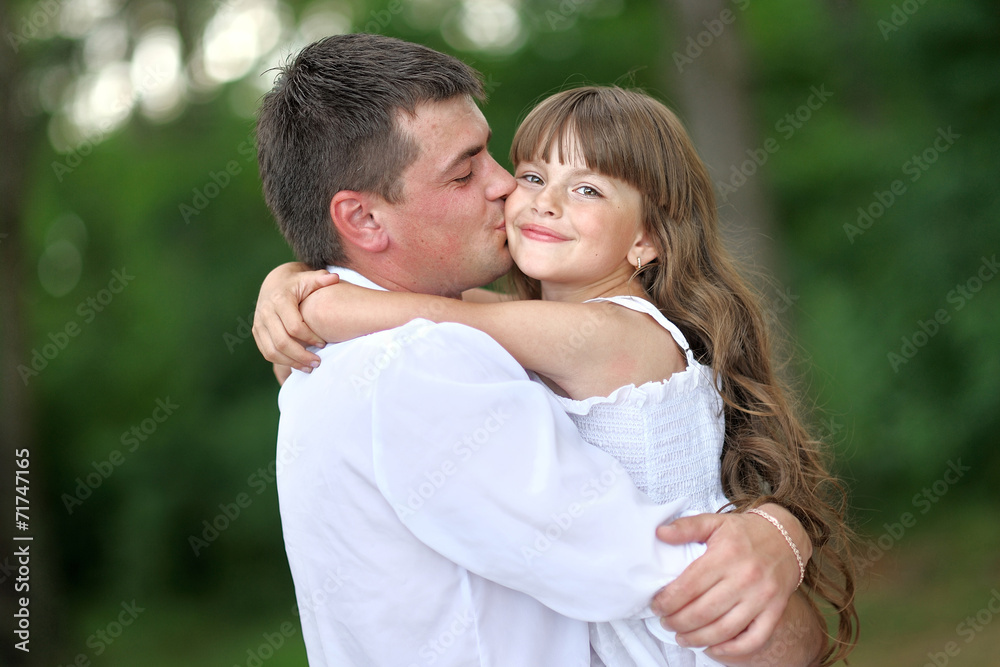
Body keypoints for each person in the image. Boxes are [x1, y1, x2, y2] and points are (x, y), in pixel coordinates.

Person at [252, 33, 829, 667]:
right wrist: (785, 537)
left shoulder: (380, 345)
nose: (511, 189)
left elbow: (464, 314)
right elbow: (721, 607)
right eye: (468, 170)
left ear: (649, 238)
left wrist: (315, 297)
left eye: (587, 189)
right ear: (361, 221)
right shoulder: (415, 363)